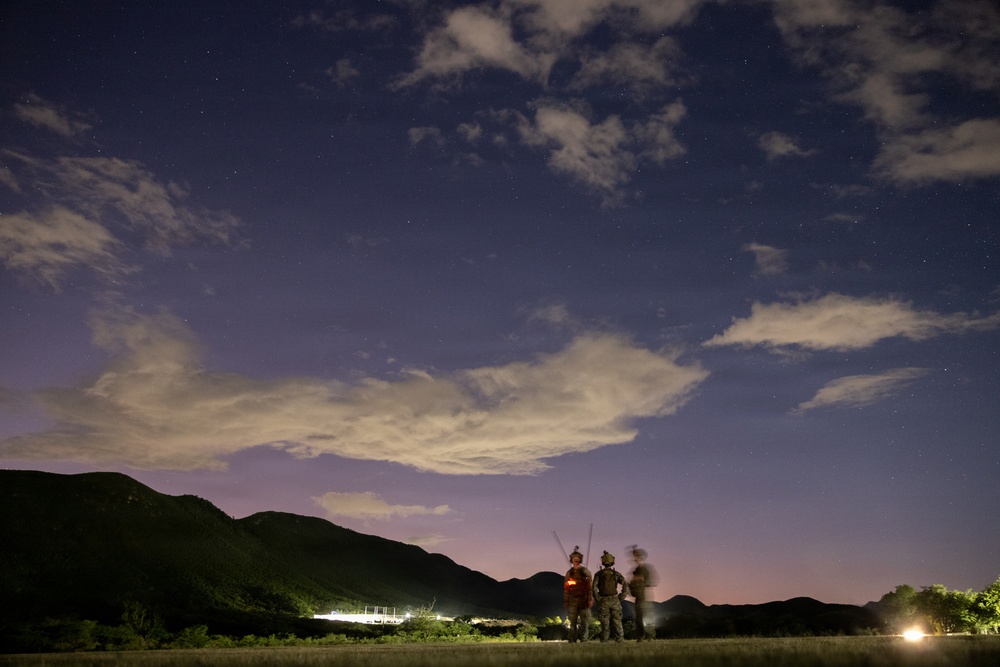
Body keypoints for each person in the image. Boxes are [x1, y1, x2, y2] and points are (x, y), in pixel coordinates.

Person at [593, 550, 628, 642]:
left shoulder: (598, 574)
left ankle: (604, 640)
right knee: (617, 620)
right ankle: (620, 638)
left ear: (603, 562)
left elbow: (594, 588)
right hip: (615, 600)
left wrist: (597, 598)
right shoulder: (616, 574)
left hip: (603, 600)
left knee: (605, 622)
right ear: (612, 561)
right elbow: (625, 584)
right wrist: (622, 596)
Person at [563, 547, 593, 642]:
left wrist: (590, 599)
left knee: (585, 622)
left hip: (584, 600)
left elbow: (590, 587)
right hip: (572, 601)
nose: (576, 560)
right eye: (574, 558)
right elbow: (566, 588)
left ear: (580, 559)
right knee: (573, 622)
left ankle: (584, 639)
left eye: (577, 558)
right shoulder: (569, 573)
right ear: (571, 560)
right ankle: (572, 639)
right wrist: (566, 600)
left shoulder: (585, 572)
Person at [628, 545, 658, 641]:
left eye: (636, 556)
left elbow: (652, 581)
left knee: (648, 617)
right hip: (638, 596)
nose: (634, 558)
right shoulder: (637, 570)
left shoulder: (646, 568)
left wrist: (646, 589)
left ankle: (650, 637)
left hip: (645, 595)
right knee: (639, 618)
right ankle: (641, 636)